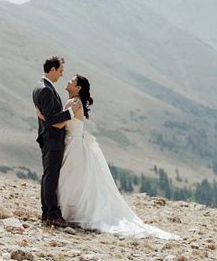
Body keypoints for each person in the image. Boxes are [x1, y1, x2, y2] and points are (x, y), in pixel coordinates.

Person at [37, 74, 179, 239]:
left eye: (72, 80)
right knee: (70, 178)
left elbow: (59, 124)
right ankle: (64, 211)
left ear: (78, 87)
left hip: (73, 145)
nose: (68, 81)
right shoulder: (75, 101)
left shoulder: (73, 102)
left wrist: (43, 117)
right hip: (74, 143)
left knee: (68, 178)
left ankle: (66, 212)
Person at [32, 56, 81, 227]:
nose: (61, 75)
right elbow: (52, 119)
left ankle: (47, 212)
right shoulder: (46, 90)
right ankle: (52, 214)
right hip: (52, 138)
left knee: (48, 176)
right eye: (60, 71)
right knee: (51, 177)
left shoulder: (39, 86)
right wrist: (70, 112)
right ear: (52, 69)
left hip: (47, 137)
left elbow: (46, 115)